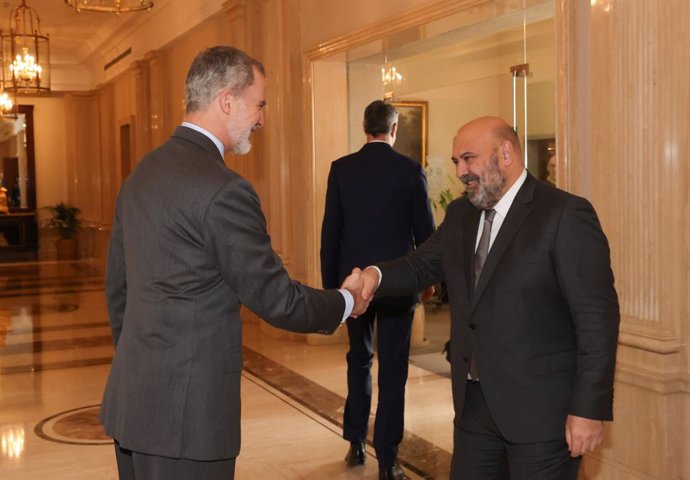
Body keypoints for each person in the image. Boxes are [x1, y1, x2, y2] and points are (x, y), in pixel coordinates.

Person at [100, 46, 369, 480]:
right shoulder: (225, 190)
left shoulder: (142, 174)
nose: (262, 119)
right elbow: (278, 300)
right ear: (227, 101)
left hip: (133, 405)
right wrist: (346, 300)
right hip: (189, 423)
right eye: (259, 104)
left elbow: (118, 290)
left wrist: (147, 369)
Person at [358, 116, 620, 480]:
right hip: (475, 407)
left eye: (469, 159)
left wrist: (588, 409)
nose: (461, 172)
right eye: (456, 163)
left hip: (541, 414)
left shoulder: (563, 214)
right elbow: (421, 266)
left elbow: (597, 319)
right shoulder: (461, 214)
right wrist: (375, 275)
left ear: (506, 153)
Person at [320, 100, 435, 480]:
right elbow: (426, 236)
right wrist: (429, 281)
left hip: (352, 287)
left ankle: (355, 438)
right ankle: (388, 458)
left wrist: (332, 293)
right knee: (394, 370)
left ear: (365, 128)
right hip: (397, 285)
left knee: (359, 359)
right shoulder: (409, 170)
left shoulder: (342, 169)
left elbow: (331, 235)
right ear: (394, 128)